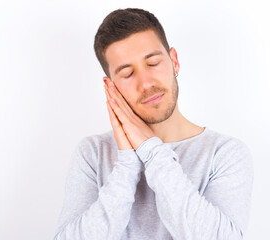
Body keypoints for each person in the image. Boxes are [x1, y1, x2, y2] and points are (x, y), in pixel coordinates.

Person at [54, 8, 253, 240]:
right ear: (111, 87)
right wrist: (128, 162)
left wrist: (151, 149)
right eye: (128, 74)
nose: (146, 83)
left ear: (174, 61)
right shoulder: (92, 153)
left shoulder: (225, 154)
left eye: (153, 63)